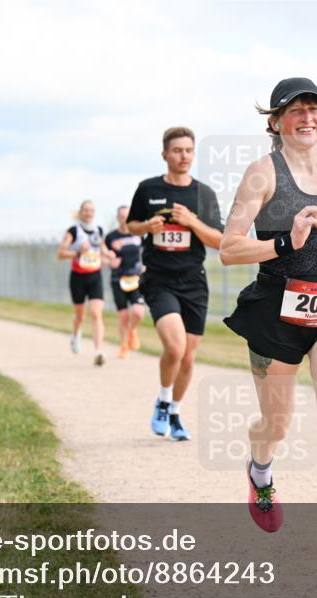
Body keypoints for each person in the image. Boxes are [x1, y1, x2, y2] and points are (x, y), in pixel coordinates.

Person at [219, 78, 317, 592]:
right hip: (277, 311)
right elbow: (229, 247)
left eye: (314, 109)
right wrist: (285, 241)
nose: (306, 117)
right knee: (277, 423)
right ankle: (260, 470)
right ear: (276, 121)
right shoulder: (261, 174)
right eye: (295, 111)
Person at [126, 126, 224, 441]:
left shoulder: (203, 194)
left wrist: (192, 222)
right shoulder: (147, 189)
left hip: (193, 281)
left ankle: (176, 412)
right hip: (159, 279)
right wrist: (146, 225)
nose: (184, 156)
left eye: (189, 151)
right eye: (177, 150)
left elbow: (219, 240)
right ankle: (163, 401)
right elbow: (131, 226)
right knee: (175, 346)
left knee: (189, 357)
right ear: (165, 154)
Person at [57, 200, 108, 366]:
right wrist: (78, 252)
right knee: (80, 315)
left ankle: (98, 351)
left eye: (92, 210)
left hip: (95, 276)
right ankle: (75, 334)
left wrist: (110, 256)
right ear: (80, 212)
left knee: (96, 313)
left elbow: (103, 250)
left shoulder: (98, 230)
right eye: (86, 210)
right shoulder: (73, 231)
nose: (89, 213)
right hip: (78, 277)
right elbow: (61, 254)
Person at [105, 205, 145, 358]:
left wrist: (146, 266)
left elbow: (147, 252)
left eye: (127, 216)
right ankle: (123, 346)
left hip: (135, 278)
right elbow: (104, 256)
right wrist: (109, 261)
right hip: (118, 279)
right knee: (123, 317)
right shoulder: (111, 237)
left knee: (138, 312)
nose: (124, 219)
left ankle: (132, 331)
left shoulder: (139, 234)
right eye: (121, 216)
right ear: (118, 218)